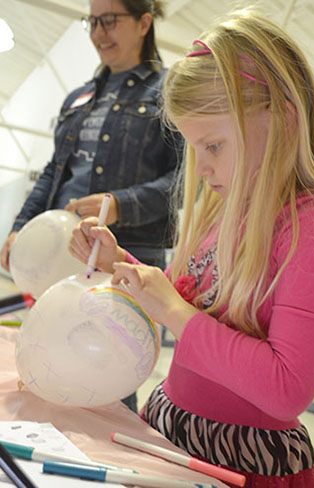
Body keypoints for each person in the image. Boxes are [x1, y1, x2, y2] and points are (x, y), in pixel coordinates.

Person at [69, 9, 314, 487]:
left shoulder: (309, 224)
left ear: (283, 118)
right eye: (195, 149)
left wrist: (174, 313)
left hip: (241, 463)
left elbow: (288, 389)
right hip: (171, 430)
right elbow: (191, 298)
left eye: (214, 146)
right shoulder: (223, 206)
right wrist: (117, 262)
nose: (202, 169)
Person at [1, 0, 183, 413]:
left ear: (144, 23)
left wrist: (121, 204)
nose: (99, 32)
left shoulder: (169, 90)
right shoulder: (79, 96)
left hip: (127, 254)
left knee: (108, 374)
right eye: (92, 21)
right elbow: (53, 172)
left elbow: (184, 181)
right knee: (50, 359)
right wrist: (21, 226)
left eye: (110, 20)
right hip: (62, 254)